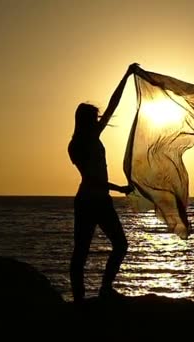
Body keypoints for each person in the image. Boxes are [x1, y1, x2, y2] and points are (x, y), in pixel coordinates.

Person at [68, 63, 138, 303]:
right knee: (82, 252)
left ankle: (105, 289)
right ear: (85, 120)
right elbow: (91, 178)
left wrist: (127, 76)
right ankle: (80, 300)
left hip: (99, 200)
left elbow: (112, 106)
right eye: (93, 117)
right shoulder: (78, 144)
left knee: (120, 244)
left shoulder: (90, 136)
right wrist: (119, 188)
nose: (99, 119)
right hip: (89, 201)